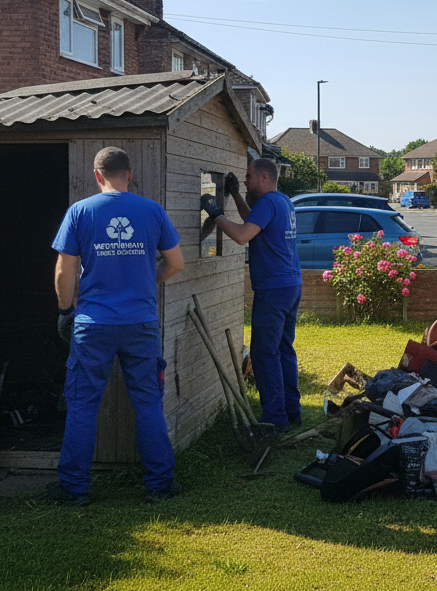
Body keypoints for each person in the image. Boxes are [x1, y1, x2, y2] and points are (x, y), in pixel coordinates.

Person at [50, 147, 184, 506]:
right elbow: (176, 263)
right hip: (141, 323)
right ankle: (160, 485)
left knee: (82, 406)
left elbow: (64, 270)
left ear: (97, 175)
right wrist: (148, 280)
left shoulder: (80, 212)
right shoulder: (152, 211)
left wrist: (66, 311)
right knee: (148, 404)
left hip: (93, 324)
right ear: (129, 173)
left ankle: (74, 490)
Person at [201, 158, 302, 432]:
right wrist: (234, 194)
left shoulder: (268, 203)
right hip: (291, 284)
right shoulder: (283, 201)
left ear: (265, 178)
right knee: (283, 349)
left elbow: (244, 235)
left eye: (248, 176)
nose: (245, 180)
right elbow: (253, 221)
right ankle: (292, 411)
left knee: (263, 354)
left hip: (273, 289)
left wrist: (215, 214)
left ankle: (274, 419)